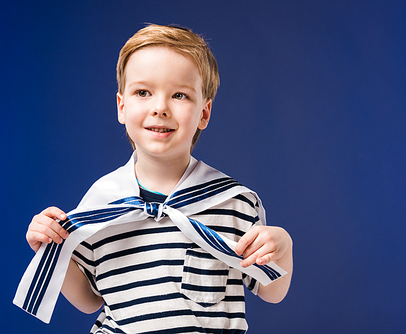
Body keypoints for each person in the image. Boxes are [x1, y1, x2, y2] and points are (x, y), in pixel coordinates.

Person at [25, 24, 293, 333]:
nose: (160, 108)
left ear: (204, 114)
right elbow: (89, 299)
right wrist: (50, 246)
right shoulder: (103, 199)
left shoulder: (234, 201)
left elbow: (272, 292)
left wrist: (283, 246)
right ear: (121, 107)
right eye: (143, 92)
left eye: (179, 95)